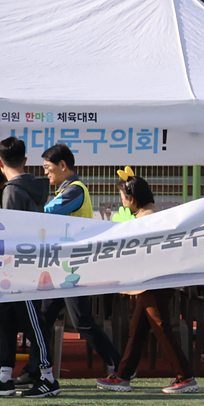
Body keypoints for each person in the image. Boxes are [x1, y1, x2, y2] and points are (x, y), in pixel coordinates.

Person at [33, 146, 125, 388]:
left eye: (48, 168)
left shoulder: (74, 191)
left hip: (71, 270)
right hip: (63, 267)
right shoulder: (68, 189)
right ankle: (38, 369)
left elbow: (44, 213)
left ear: (63, 166)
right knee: (44, 318)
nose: (46, 173)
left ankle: (120, 367)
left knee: (82, 322)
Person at [0, 137, 59, 397]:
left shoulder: (11, 190)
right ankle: (5, 376)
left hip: (19, 268)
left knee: (31, 322)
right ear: (25, 160)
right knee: (7, 321)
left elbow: (9, 233)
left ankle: (47, 377)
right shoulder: (36, 188)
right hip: (26, 263)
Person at [104, 176, 199, 394]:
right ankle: (123, 375)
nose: (121, 202)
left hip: (154, 281)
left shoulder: (146, 218)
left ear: (132, 198)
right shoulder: (151, 214)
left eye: (122, 197)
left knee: (161, 328)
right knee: (137, 330)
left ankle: (185, 377)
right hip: (153, 280)